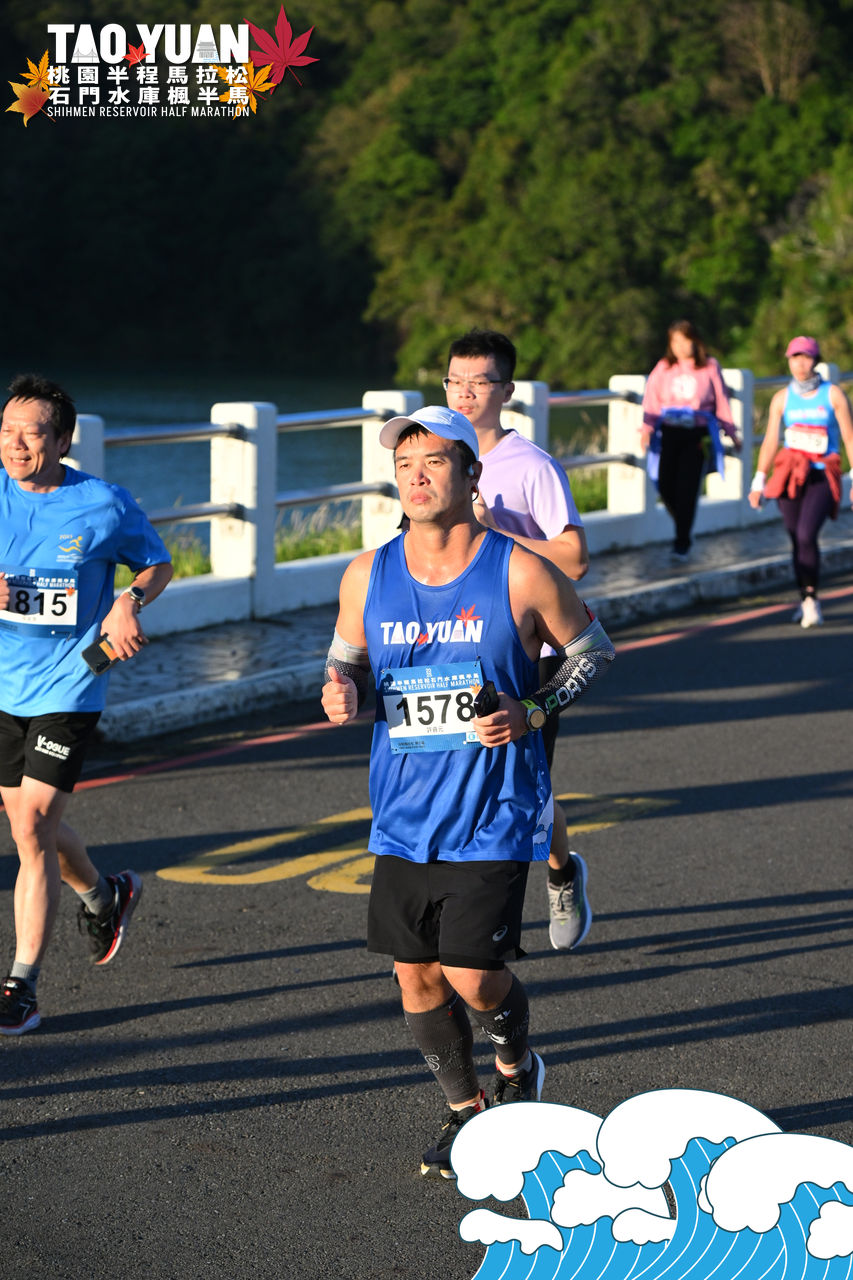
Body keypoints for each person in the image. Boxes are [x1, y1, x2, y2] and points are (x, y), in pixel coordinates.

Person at [321, 404, 615, 1179]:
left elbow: (592, 651)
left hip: (495, 807)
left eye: (434, 462)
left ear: (470, 472)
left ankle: (517, 1067)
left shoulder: (518, 569)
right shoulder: (366, 574)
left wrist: (533, 710)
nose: (416, 477)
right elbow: (345, 663)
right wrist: (340, 689)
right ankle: (465, 1110)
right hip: (402, 811)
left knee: (473, 976)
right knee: (414, 975)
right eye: (404, 465)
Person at [0, 374, 173, 1035]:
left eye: (33, 432)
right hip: (2, 685)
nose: (16, 444)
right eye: (6, 430)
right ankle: (105, 894)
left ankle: (21, 986)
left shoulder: (102, 503)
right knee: (30, 825)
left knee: (32, 825)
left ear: (63, 440)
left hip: (70, 683)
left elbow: (156, 563)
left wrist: (128, 601)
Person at [443, 328, 592, 951]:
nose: (464, 393)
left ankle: (559, 874)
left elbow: (575, 557)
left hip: (534, 656)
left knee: (523, 787)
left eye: (479, 382)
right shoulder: (438, 456)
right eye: (454, 381)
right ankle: (468, 924)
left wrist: (495, 533)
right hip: (458, 645)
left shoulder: (531, 466)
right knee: (460, 783)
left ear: (505, 390)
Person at [749, 336, 853, 627]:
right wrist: (759, 480)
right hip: (791, 475)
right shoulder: (781, 399)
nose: (800, 363)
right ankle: (806, 598)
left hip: (821, 474)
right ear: (789, 361)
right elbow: (771, 441)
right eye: (795, 357)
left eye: (806, 357)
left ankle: (811, 599)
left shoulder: (832, 395)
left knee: (807, 534)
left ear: (815, 360)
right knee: (795, 537)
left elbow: (849, 437)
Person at [641, 320, 740, 561]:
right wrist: (647, 429)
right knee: (665, 485)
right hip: (669, 433)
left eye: (685, 340)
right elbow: (651, 400)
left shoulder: (709, 366)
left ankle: (681, 542)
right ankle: (682, 524)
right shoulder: (664, 367)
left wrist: (731, 431)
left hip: (696, 435)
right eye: (675, 341)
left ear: (695, 341)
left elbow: (721, 400)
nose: (680, 346)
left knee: (687, 489)